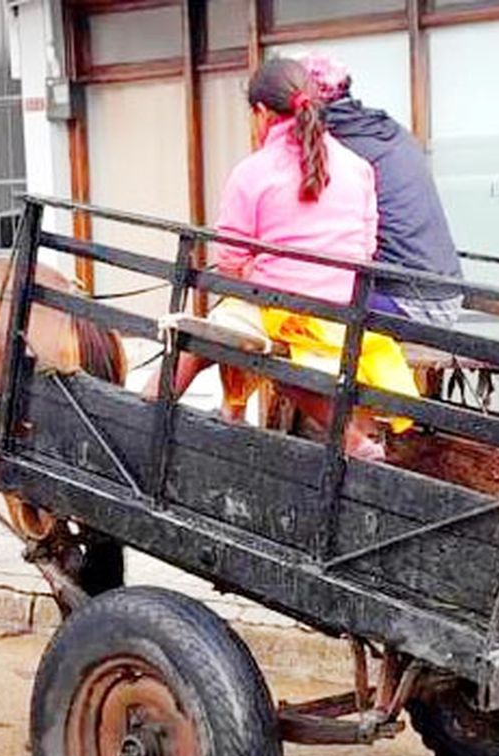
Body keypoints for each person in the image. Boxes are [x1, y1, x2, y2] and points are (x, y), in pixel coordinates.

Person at [156, 57, 420, 460]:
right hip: (340, 313)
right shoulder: (359, 168)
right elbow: (365, 249)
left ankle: (145, 413)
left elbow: (230, 262)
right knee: (232, 321)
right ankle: (233, 412)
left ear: (262, 113)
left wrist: (258, 271)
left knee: (198, 337)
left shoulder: (252, 172)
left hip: (286, 314)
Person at [304, 53, 464, 325]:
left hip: (405, 299)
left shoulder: (336, 148)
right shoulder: (387, 129)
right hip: (444, 293)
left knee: (292, 297)